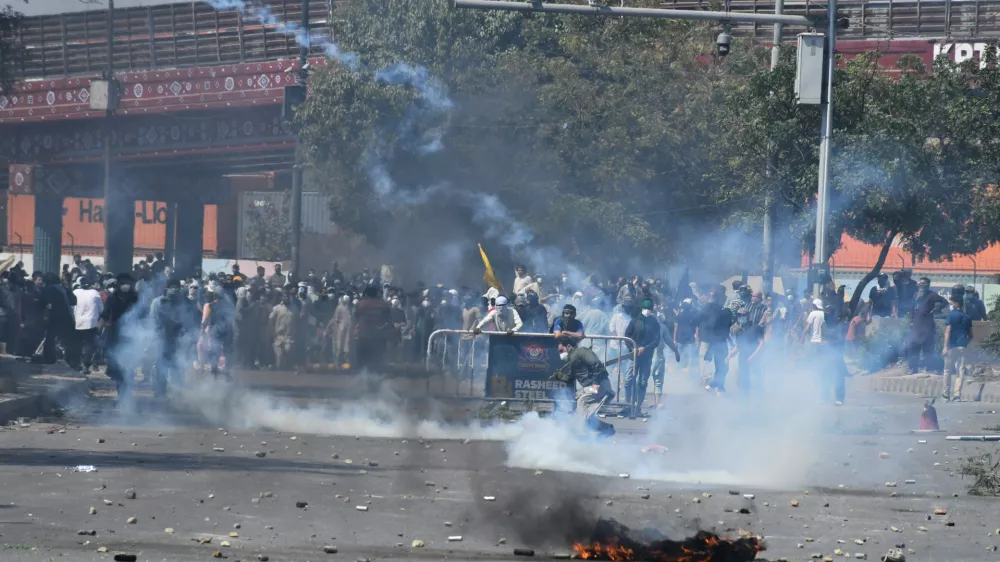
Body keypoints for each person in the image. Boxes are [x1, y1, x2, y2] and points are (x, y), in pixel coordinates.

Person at [553, 335, 616, 438]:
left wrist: (596, 384)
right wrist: (560, 376)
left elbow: (596, 364)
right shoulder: (573, 359)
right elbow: (570, 378)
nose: (561, 354)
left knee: (582, 402)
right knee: (587, 418)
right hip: (590, 387)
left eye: (561, 350)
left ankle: (580, 433)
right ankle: (607, 429)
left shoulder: (582, 351)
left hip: (598, 385)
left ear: (568, 346)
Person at [100, 273, 139, 398]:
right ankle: (121, 392)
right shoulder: (112, 298)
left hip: (132, 335)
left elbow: (144, 316)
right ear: (118, 285)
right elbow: (104, 315)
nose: (125, 285)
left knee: (129, 366)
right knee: (116, 366)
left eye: (127, 283)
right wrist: (98, 331)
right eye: (122, 283)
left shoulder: (136, 298)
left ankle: (126, 393)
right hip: (115, 335)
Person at [622, 299, 660, 418]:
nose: (647, 311)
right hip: (633, 357)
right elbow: (627, 337)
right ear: (642, 309)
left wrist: (645, 348)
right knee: (628, 381)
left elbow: (656, 340)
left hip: (647, 357)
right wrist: (632, 347)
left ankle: (638, 408)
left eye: (649, 309)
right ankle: (628, 405)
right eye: (645, 308)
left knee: (642, 382)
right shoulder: (634, 321)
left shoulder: (654, 323)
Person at [906, 277, 947, 374]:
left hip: (927, 327)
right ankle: (913, 368)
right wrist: (911, 320)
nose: (921, 285)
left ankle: (930, 368)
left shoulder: (932, 295)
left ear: (928, 285)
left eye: (923, 283)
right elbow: (912, 309)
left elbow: (944, 302)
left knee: (928, 349)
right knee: (912, 347)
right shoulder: (915, 294)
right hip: (916, 327)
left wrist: (937, 309)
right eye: (920, 283)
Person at [696, 288, 733, 394]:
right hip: (718, 344)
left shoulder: (708, 309)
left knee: (720, 368)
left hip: (713, 342)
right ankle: (713, 385)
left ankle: (720, 388)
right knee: (724, 368)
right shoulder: (719, 314)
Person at [354, 285, 392, 372]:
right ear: (377, 294)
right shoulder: (384, 305)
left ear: (366, 294)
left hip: (363, 336)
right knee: (377, 361)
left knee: (362, 362)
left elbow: (356, 318)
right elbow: (389, 322)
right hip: (379, 337)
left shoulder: (360, 304)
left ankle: (362, 377)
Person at [943, 295, 973, 402]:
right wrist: (965, 343)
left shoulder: (951, 316)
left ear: (956, 303)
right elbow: (971, 335)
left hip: (951, 346)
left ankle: (946, 394)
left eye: (952, 302)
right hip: (962, 347)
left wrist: (945, 347)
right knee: (960, 371)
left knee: (947, 370)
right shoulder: (967, 317)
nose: (951, 304)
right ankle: (957, 395)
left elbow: (948, 331)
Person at [71, 278, 103, 374]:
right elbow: (101, 309)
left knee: (77, 344)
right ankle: (86, 365)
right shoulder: (95, 293)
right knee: (89, 344)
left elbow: (71, 307)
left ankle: (76, 363)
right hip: (91, 322)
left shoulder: (75, 292)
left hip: (77, 322)